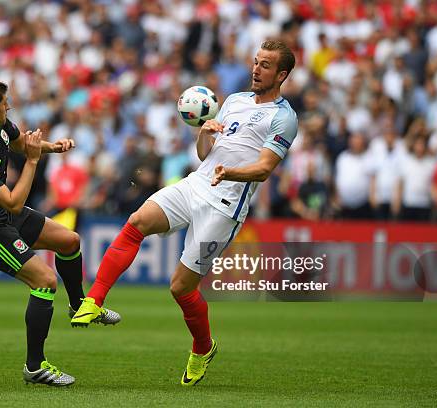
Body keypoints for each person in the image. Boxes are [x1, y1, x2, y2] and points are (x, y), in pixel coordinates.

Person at [71, 40, 298, 386]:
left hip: (225, 207)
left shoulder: (284, 118)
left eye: (266, 65)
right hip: (196, 184)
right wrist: (203, 134)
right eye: (256, 62)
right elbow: (207, 153)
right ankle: (94, 299)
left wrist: (229, 173)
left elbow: (265, 168)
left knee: (180, 288)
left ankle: (203, 348)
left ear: (282, 74)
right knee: (137, 222)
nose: (256, 69)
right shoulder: (235, 101)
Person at [0, 77, 119, 387]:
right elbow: (14, 203)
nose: (9, 107)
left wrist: (52, 147)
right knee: (44, 280)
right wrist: (32, 161)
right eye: (4, 104)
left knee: (69, 241)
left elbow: (19, 143)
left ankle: (79, 306)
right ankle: (35, 366)